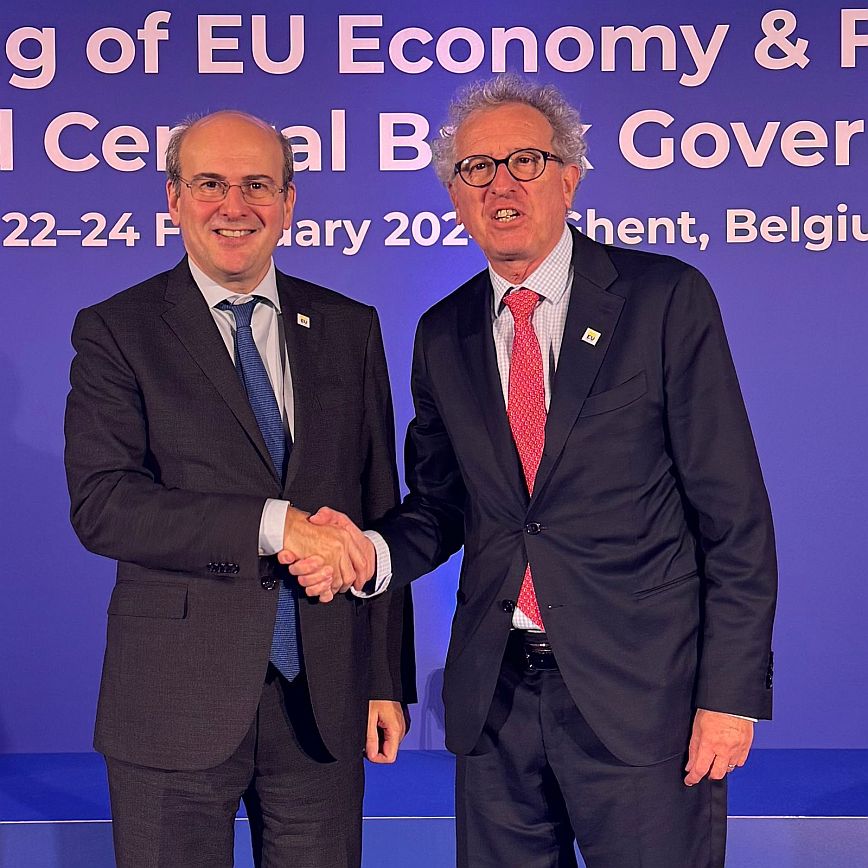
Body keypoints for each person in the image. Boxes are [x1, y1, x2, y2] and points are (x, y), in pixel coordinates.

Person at [296, 76, 777, 867]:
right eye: (476, 169)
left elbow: (734, 517)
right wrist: (367, 554)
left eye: (525, 161)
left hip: (643, 700)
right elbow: (441, 506)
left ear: (569, 178)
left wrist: (730, 694)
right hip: (496, 702)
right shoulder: (443, 331)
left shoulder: (663, 299)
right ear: (455, 196)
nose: (501, 184)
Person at [64, 110, 415, 868]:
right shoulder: (117, 329)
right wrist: (274, 524)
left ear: (288, 202)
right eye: (210, 184)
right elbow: (105, 506)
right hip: (172, 702)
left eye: (258, 184)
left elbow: (376, 507)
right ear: (174, 198)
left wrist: (384, 679)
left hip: (322, 703)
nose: (235, 205)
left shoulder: (350, 327)